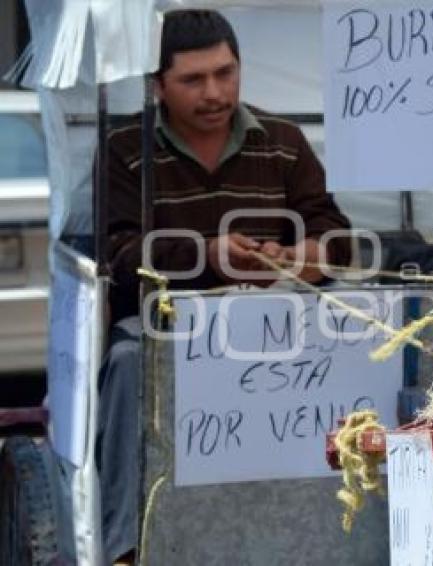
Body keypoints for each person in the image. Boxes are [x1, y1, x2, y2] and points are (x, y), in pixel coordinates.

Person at [96, 10, 351, 563]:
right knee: (124, 363)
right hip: (165, 333)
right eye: (193, 79)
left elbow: (336, 237)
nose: (215, 93)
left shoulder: (282, 141)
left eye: (225, 73)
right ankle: (127, 549)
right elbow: (117, 254)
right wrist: (208, 256)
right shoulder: (125, 149)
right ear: (157, 84)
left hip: (273, 330)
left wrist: (300, 259)